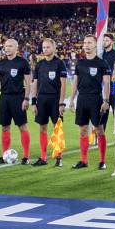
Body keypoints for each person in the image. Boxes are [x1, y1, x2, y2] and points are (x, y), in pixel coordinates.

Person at [69, 35, 111, 170]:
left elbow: (107, 82)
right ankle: (83, 160)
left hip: (96, 99)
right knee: (82, 130)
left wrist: (106, 100)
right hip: (82, 99)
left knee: (99, 130)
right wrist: (71, 99)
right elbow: (75, 82)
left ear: (95, 45)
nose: (86, 45)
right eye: (85, 42)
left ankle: (102, 161)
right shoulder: (80, 63)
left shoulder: (102, 63)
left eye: (89, 43)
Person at [0, 38, 33, 165]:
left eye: (10, 46)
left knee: (22, 126)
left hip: (18, 98)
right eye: (6, 46)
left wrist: (26, 98)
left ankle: (26, 156)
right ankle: (5, 156)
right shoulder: (1, 64)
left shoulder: (23, 63)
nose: (7, 48)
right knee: (5, 127)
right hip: (4, 98)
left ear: (16, 48)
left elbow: (28, 82)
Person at [32, 38, 68, 167]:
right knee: (42, 127)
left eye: (48, 47)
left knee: (56, 128)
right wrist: (33, 101)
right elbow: (35, 83)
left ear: (53, 48)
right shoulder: (39, 65)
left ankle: (59, 157)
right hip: (41, 99)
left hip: (55, 99)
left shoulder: (60, 64)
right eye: (44, 47)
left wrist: (61, 103)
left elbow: (63, 84)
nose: (45, 49)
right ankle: (43, 157)